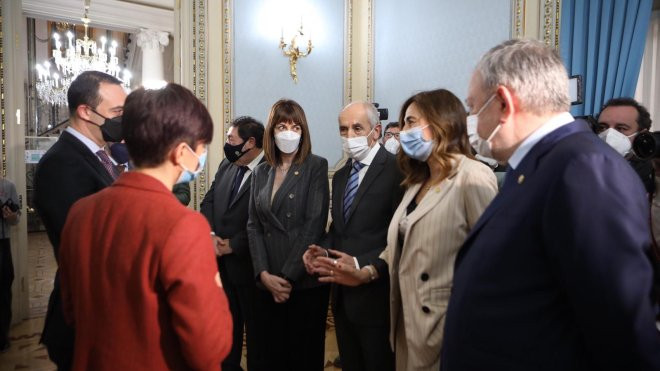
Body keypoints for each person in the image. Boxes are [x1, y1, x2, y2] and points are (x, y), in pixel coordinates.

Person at [441, 39, 660, 370]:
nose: (471, 120)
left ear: (503, 102)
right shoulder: (539, 164)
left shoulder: (583, 169)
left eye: (473, 108)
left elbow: (621, 328)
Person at [313, 89, 497, 371]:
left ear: (441, 122)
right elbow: (400, 242)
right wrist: (367, 269)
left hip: (446, 322)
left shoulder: (473, 175)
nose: (403, 131)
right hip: (406, 316)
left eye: (411, 122)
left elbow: (491, 262)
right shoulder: (416, 181)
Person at [57, 83, 232, 370]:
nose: (202, 157)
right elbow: (209, 346)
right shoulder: (184, 226)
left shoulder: (81, 212)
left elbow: (71, 310)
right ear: (182, 152)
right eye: (202, 148)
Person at [34, 70, 127, 370]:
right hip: (88, 317)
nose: (123, 120)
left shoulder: (102, 155)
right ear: (86, 111)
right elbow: (88, 248)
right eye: (117, 112)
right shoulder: (62, 164)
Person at [303, 102, 403, 371]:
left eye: (357, 128)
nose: (350, 136)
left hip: (378, 295)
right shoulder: (342, 174)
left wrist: (363, 265)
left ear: (376, 131)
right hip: (343, 298)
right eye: (343, 129)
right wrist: (322, 251)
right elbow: (340, 229)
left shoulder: (397, 170)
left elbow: (400, 235)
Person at [246, 99, 330, 371]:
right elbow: (253, 225)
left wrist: (285, 278)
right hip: (266, 280)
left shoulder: (316, 166)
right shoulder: (261, 171)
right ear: (271, 132)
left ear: (303, 131)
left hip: (302, 282)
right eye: (281, 126)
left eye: (295, 126)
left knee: (301, 359)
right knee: (269, 357)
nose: (289, 132)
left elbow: (313, 224)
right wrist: (262, 273)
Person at [201, 115, 265, 371]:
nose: (227, 143)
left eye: (231, 138)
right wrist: (211, 236)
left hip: (251, 265)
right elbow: (209, 201)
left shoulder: (270, 170)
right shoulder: (227, 165)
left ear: (250, 142)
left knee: (258, 333)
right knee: (226, 328)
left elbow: (263, 220)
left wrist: (234, 245)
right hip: (220, 265)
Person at [596, 97, 654, 194]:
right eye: (602, 127)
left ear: (642, 135)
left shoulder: (648, 174)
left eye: (621, 128)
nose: (608, 134)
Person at [0, 178, 20, 352]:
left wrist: (12, 216)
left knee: (4, 289)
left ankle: (2, 335)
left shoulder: (8, 186)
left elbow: (16, 219)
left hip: (3, 243)